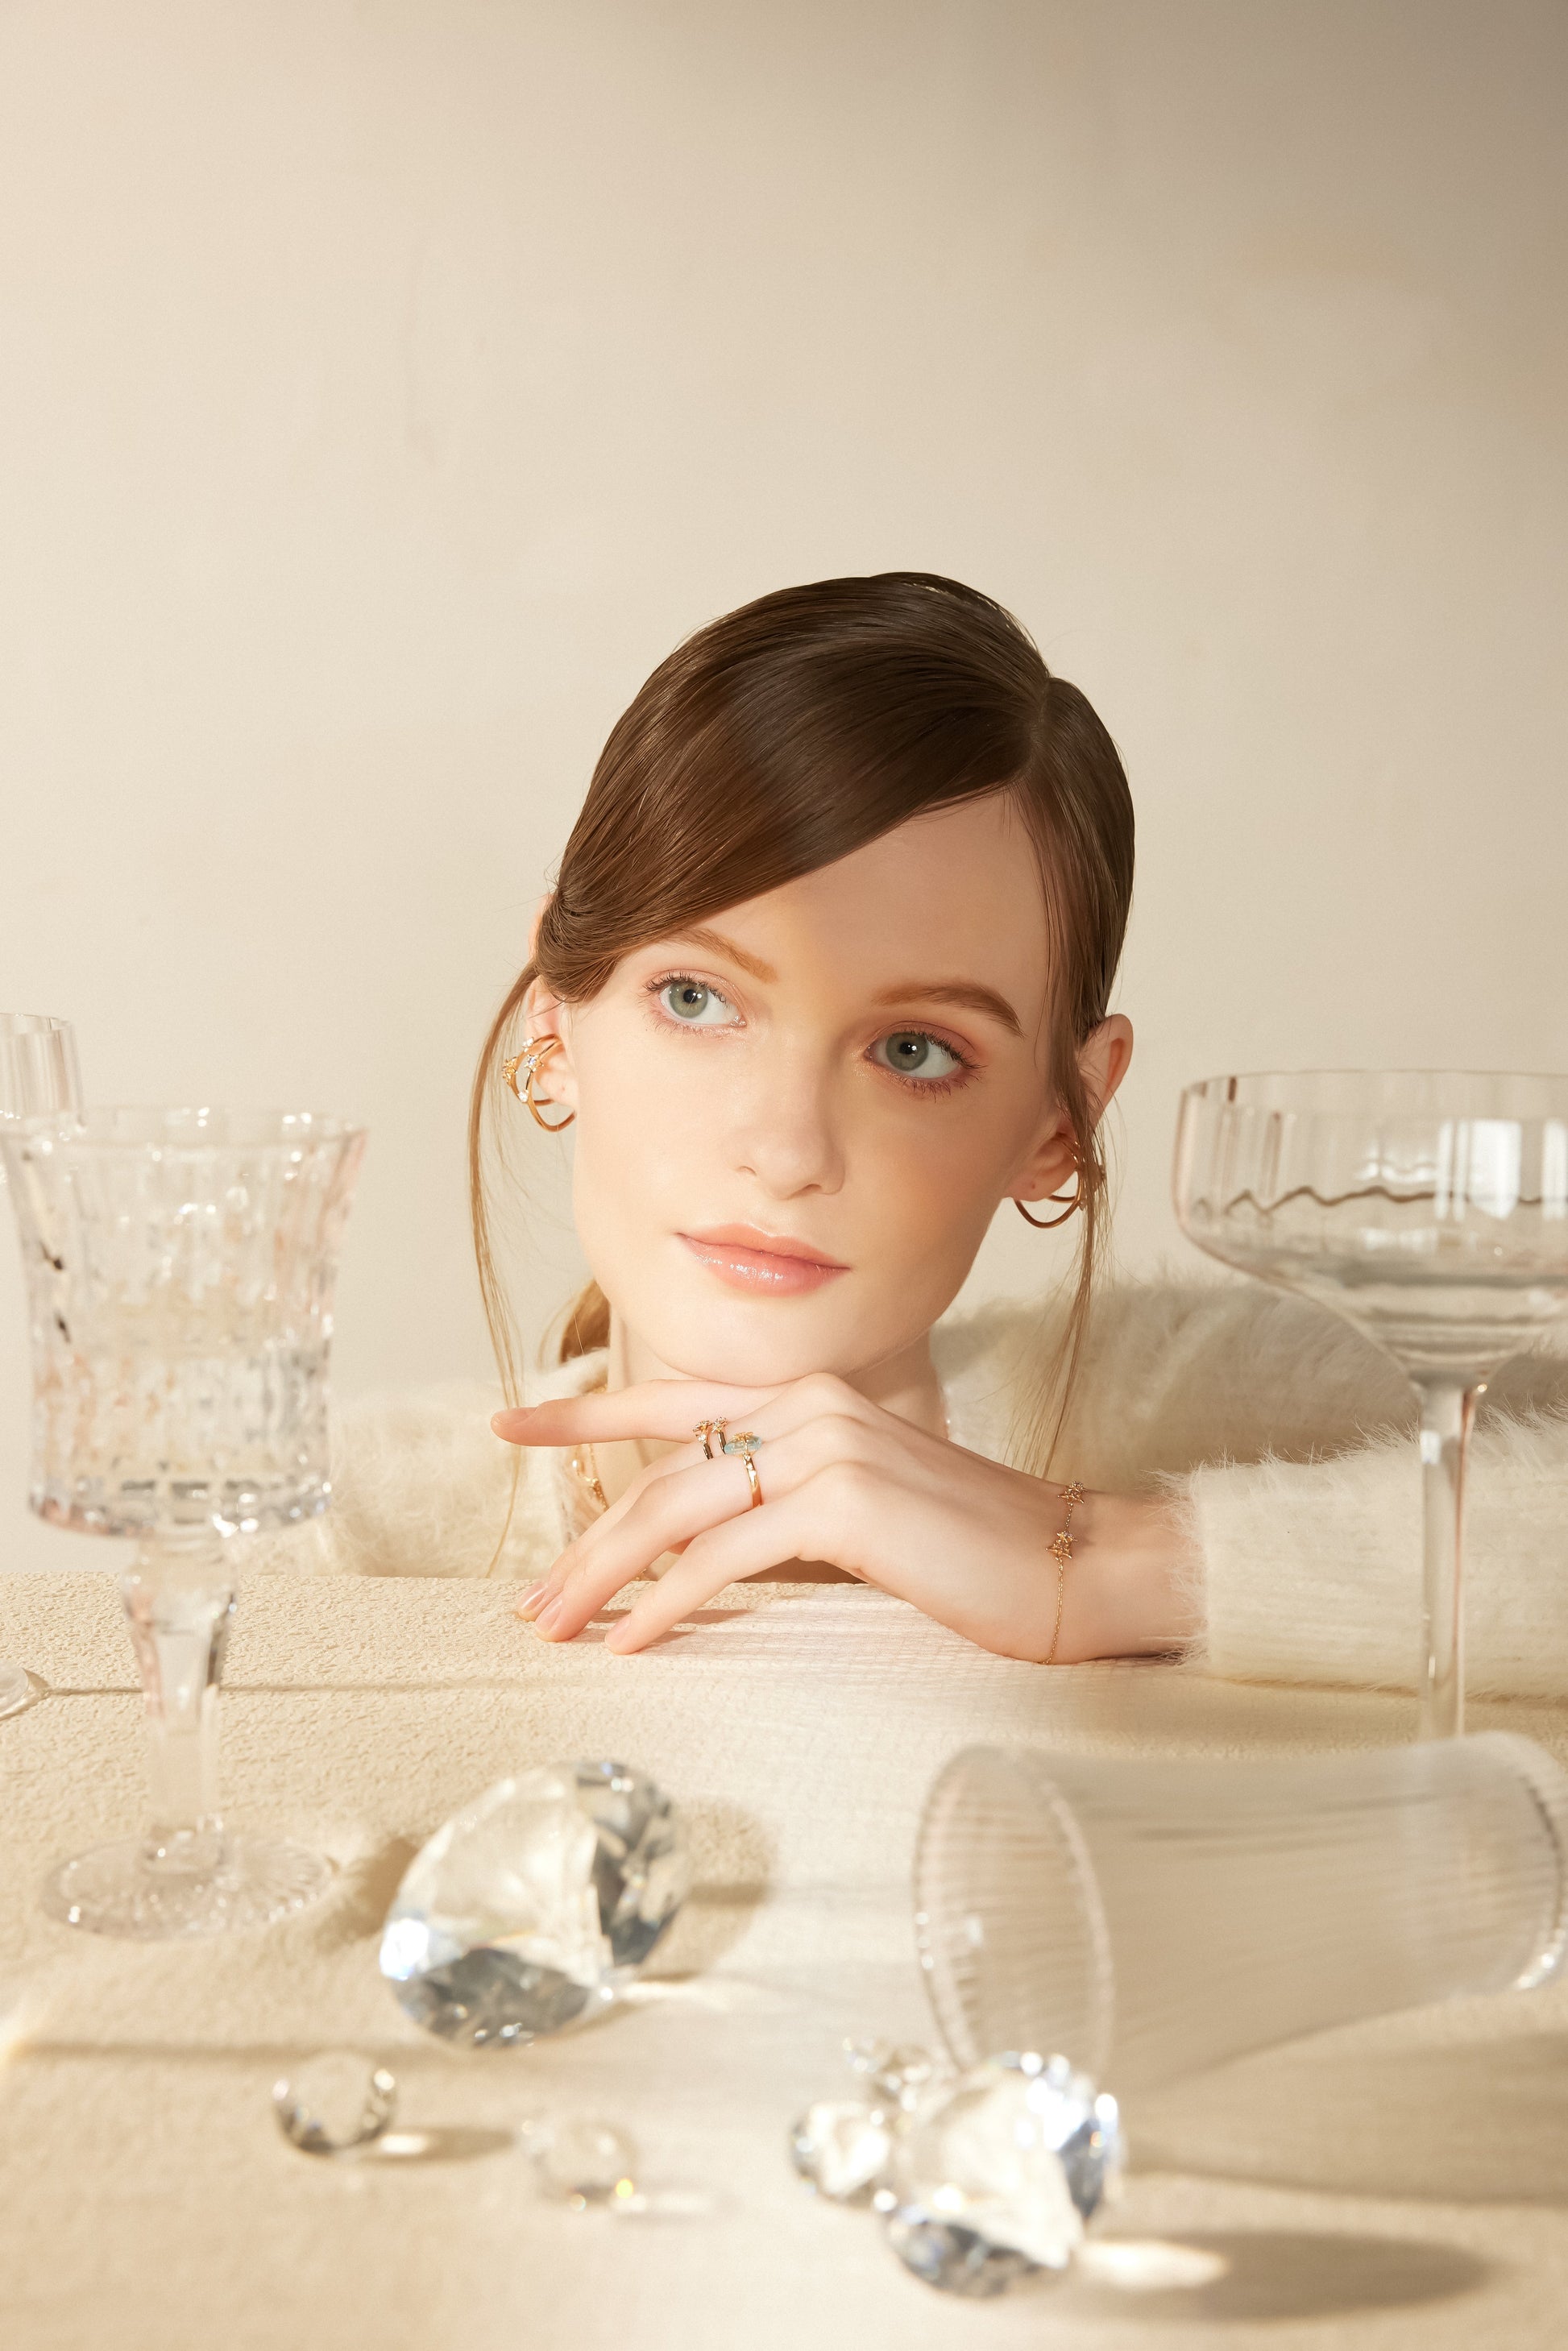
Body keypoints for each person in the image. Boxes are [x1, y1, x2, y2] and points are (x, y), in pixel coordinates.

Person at [310, 573, 1568, 1698]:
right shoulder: (355, 1514)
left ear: (1059, 1121)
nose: (786, 1149)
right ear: (553, 1019)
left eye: (913, 1050)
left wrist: (1102, 1560)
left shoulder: (1168, 1402)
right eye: (695, 998)